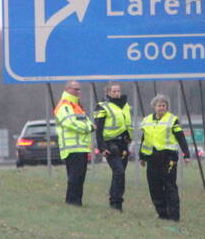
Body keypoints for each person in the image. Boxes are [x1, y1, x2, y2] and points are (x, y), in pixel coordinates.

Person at [138, 94, 190, 221]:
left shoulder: (172, 120)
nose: (161, 108)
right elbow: (144, 139)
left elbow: (180, 137)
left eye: (163, 105)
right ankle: (162, 213)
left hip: (168, 157)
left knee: (169, 186)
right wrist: (142, 157)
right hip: (152, 157)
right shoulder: (147, 120)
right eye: (159, 105)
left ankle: (174, 215)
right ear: (154, 107)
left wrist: (186, 154)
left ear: (167, 107)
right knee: (154, 187)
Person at [54, 80, 94, 206]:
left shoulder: (76, 106)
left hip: (81, 148)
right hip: (71, 148)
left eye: (79, 89)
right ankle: (71, 202)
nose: (78, 92)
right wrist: (88, 128)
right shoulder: (65, 105)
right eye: (75, 89)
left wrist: (89, 126)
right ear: (67, 89)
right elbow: (70, 123)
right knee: (75, 177)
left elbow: (87, 121)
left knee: (80, 177)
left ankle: (77, 202)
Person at [94, 82, 132, 211]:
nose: (116, 93)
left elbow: (127, 123)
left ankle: (115, 202)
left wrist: (129, 136)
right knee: (119, 172)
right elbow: (98, 129)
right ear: (108, 93)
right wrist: (101, 147)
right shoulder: (103, 106)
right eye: (114, 91)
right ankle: (116, 202)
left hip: (123, 143)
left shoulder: (125, 105)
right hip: (110, 144)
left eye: (118, 91)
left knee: (120, 174)